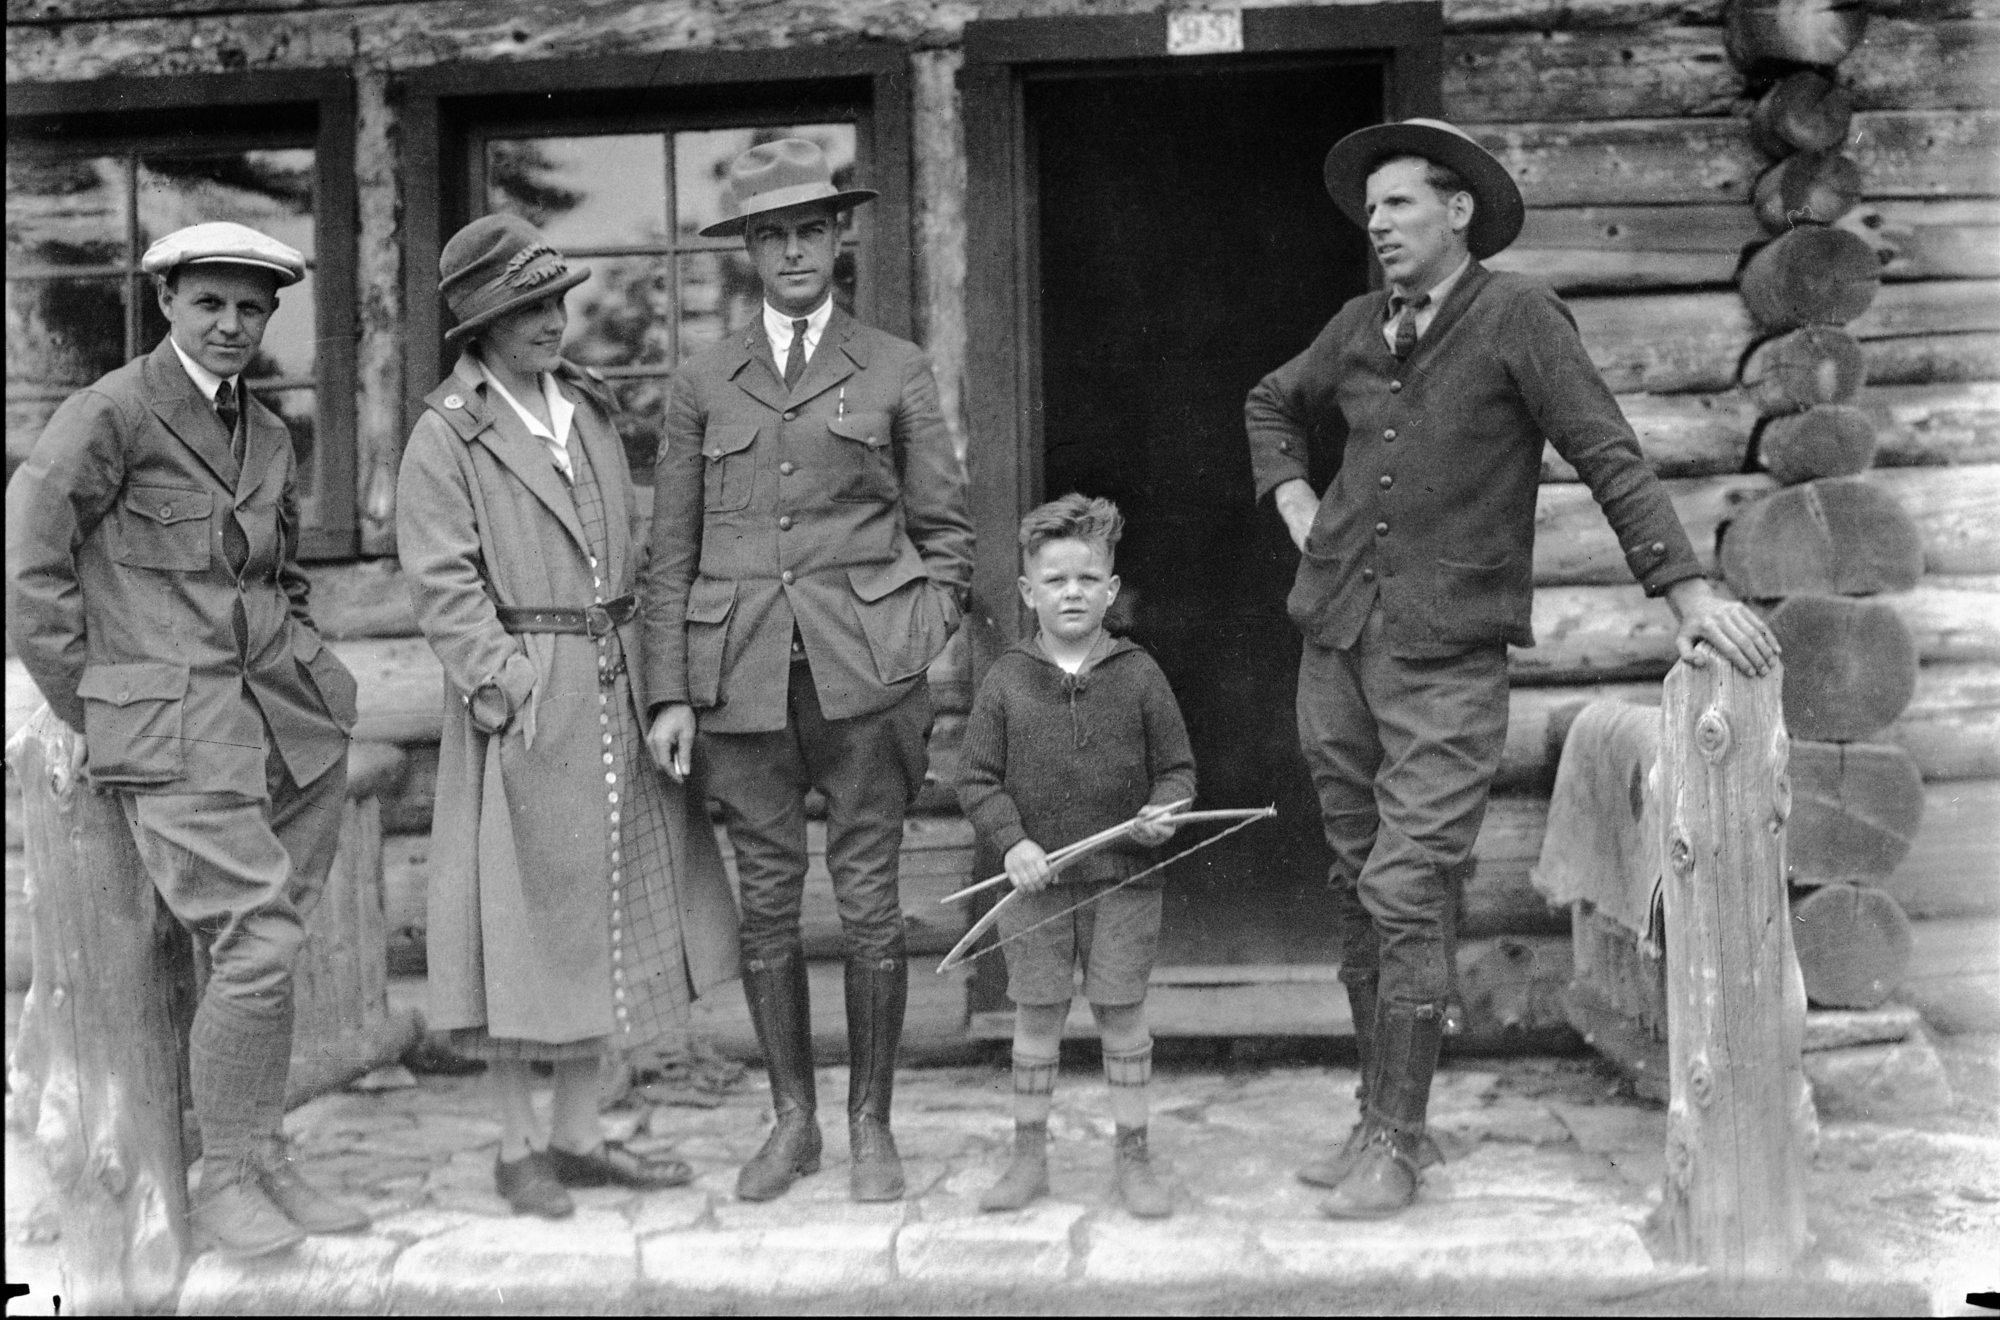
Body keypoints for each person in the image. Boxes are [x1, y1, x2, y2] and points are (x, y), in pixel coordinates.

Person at [1243, 118, 1781, 1220]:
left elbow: (1604, 449)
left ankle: (1397, 1142)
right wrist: (1294, 499)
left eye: (1399, 203)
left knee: (1406, 885)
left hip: (1446, 659)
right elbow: (1269, 401)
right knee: (1356, 882)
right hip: (1334, 645)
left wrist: (1684, 590)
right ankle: (1378, 1117)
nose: (1377, 224)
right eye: (1370, 208)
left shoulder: (1518, 316)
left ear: (1458, 212)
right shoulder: (1356, 326)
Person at [6, 222, 367, 1257]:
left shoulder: (268, 433)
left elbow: (280, 574)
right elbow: (28, 563)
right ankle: (225, 1177)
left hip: (286, 724)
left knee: (269, 938)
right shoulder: (112, 412)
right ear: (166, 301)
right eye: (209, 302)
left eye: (251, 308)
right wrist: (94, 706)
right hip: (170, 728)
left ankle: (263, 1156)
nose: (230, 325)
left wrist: (310, 666)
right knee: (258, 938)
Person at [643, 138, 974, 1203]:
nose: (791, 250)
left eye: (809, 230)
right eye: (770, 234)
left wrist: (910, 640)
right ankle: (793, 1122)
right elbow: (671, 549)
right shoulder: (703, 380)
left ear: (839, 239)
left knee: (871, 905)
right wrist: (667, 691)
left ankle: (871, 1125)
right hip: (739, 683)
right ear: (747, 251)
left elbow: (947, 535)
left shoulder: (893, 366)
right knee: (768, 909)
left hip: (866, 686)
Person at [396, 214, 739, 1219]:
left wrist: (656, 683)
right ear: (480, 325)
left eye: (555, 303)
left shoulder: (584, 409)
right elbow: (442, 584)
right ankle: (517, 1148)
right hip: (526, 699)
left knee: (602, 912)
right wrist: (507, 687)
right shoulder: (447, 434)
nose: (551, 322)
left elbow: (631, 549)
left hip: (614, 684)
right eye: (526, 310)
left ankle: (580, 1136)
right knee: (516, 928)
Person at [955, 494, 1195, 1219]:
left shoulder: (1140, 674)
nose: (1072, 593)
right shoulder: (1006, 678)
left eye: (1088, 579)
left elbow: (1177, 772)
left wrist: (1165, 812)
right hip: (1034, 889)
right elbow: (976, 779)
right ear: (1027, 592)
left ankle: (1134, 1157)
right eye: (1055, 580)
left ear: (1111, 590)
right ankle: (1028, 1158)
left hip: (1124, 881)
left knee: (1121, 1014)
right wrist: (1015, 842)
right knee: (1037, 1017)